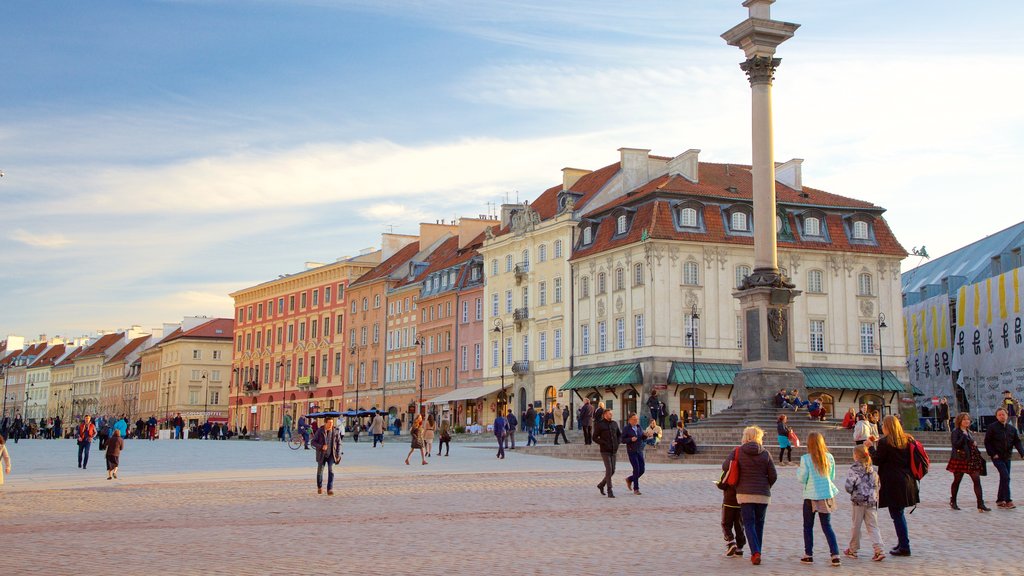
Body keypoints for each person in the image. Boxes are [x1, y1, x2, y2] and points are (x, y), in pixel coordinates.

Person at [865, 415, 918, 557]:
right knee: (899, 514)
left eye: (883, 425)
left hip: (893, 482)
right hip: (907, 480)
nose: (882, 427)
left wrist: (870, 448)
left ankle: (905, 546)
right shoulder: (907, 439)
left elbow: (877, 460)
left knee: (897, 515)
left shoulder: (885, 442)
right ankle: (902, 543)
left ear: (887, 427)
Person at [724, 426, 777, 566]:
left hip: (744, 493)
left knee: (748, 523)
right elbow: (773, 475)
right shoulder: (765, 453)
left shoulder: (738, 451)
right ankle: (757, 550)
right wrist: (766, 486)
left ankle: (755, 553)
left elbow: (725, 466)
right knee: (760, 524)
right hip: (763, 494)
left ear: (745, 437)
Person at [797, 432, 841, 566]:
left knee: (808, 526)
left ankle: (808, 554)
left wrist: (798, 471)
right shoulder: (829, 457)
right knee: (827, 526)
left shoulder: (806, 459)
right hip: (826, 495)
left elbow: (802, 478)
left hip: (811, 495)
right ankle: (835, 554)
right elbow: (832, 476)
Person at [843, 445, 885, 561]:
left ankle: (853, 549)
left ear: (856, 456)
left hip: (858, 502)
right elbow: (878, 485)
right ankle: (879, 550)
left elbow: (848, 486)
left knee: (856, 526)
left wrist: (853, 491)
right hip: (871, 502)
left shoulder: (854, 469)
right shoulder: (873, 470)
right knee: (873, 526)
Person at [946, 412, 990, 511]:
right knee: (957, 481)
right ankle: (953, 501)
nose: (966, 421)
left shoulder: (969, 432)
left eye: (968, 419)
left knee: (976, 480)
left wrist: (973, 443)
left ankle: (980, 504)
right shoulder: (956, 432)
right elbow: (956, 444)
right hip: (960, 459)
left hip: (971, 459)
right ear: (960, 421)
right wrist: (964, 436)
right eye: (964, 419)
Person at [984, 407, 1024, 509]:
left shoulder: (1012, 429)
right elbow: (987, 442)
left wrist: (1022, 453)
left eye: (1003, 414)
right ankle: (1008, 500)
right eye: (1000, 415)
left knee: (1004, 478)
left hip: (1007, 456)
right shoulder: (992, 427)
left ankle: (999, 499)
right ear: (996, 416)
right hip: (997, 457)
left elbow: (1017, 442)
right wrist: (993, 454)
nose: (1002, 416)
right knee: (1006, 477)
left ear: (1007, 415)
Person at [720, 448, 746, 558]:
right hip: (742, 500)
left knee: (726, 523)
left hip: (729, 501)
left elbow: (722, 484)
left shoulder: (729, 469)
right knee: (739, 525)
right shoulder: (746, 470)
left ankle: (731, 541)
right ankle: (740, 547)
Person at [594, 408, 621, 498]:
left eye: (611, 414)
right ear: (605, 415)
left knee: (612, 470)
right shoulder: (599, 424)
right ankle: (610, 490)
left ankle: (601, 485)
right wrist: (602, 442)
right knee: (609, 470)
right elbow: (594, 437)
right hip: (605, 451)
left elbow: (619, 434)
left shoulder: (614, 423)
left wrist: (618, 442)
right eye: (609, 414)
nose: (611, 415)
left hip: (614, 450)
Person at [311, 417, 342, 495]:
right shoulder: (320, 431)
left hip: (332, 454)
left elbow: (339, 443)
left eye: (332, 423)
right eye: (329, 423)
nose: (331, 424)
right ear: (325, 423)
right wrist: (321, 446)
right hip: (322, 455)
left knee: (331, 471)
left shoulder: (335, 431)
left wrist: (338, 454)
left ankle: (330, 489)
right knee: (320, 472)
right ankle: (319, 486)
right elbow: (313, 442)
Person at [621, 412, 646, 495]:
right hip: (632, 451)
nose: (636, 421)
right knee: (636, 469)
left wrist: (646, 435)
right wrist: (630, 440)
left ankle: (630, 479)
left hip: (639, 450)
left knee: (642, 470)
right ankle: (636, 489)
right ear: (629, 420)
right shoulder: (626, 428)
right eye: (634, 419)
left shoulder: (639, 427)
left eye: (637, 419)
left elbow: (642, 436)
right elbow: (622, 440)